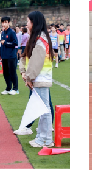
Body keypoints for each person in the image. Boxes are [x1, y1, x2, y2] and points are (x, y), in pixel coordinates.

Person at [18, 10, 55, 148]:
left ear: (34, 22)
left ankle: (46, 139)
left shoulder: (40, 40)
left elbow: (36, 62)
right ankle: (41, 137)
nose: (26, 24)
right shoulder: (38, 38)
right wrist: (25, 74)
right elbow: (28, 59)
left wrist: (29, 77)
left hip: (40, 79)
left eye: (28, 21)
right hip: (38, 79)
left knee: (44, 110)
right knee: (42, 109)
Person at [0, 16, 19, 95]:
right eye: (3, 22)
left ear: (9, 23)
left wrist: (6, 43)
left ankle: (15, 89)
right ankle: (8, 88)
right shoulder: (3, 32)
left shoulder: (12, 32)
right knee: (5, 73)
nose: (4, 24)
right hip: (4, 56)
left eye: (5, 22)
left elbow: (15, 43)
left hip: (11, 56)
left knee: (12, 72)